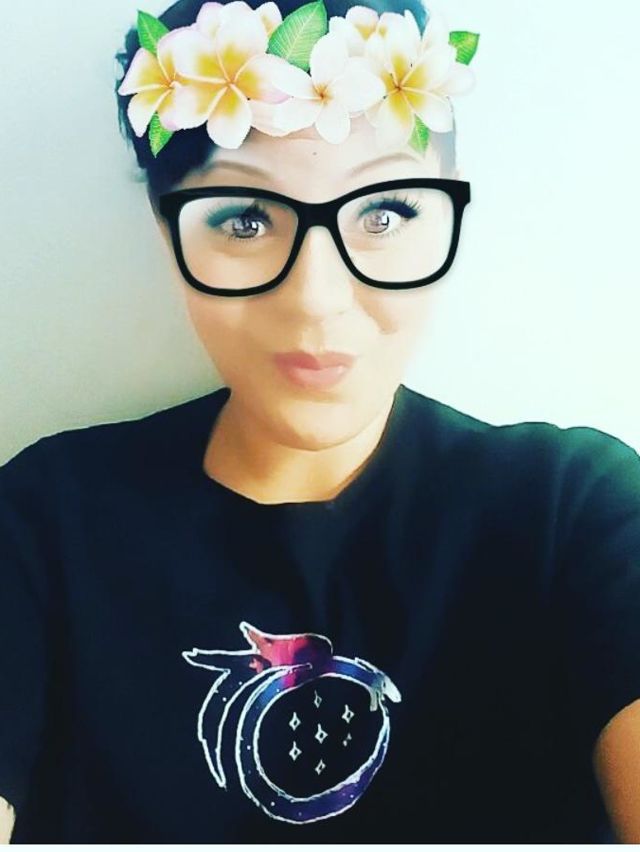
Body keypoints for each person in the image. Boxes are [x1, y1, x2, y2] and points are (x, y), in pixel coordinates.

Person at [1, 0, 639, 843]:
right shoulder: (45, 524)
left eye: (385, 213)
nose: (316, 300)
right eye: (245, 219)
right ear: (168, 237)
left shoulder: (577, 512)